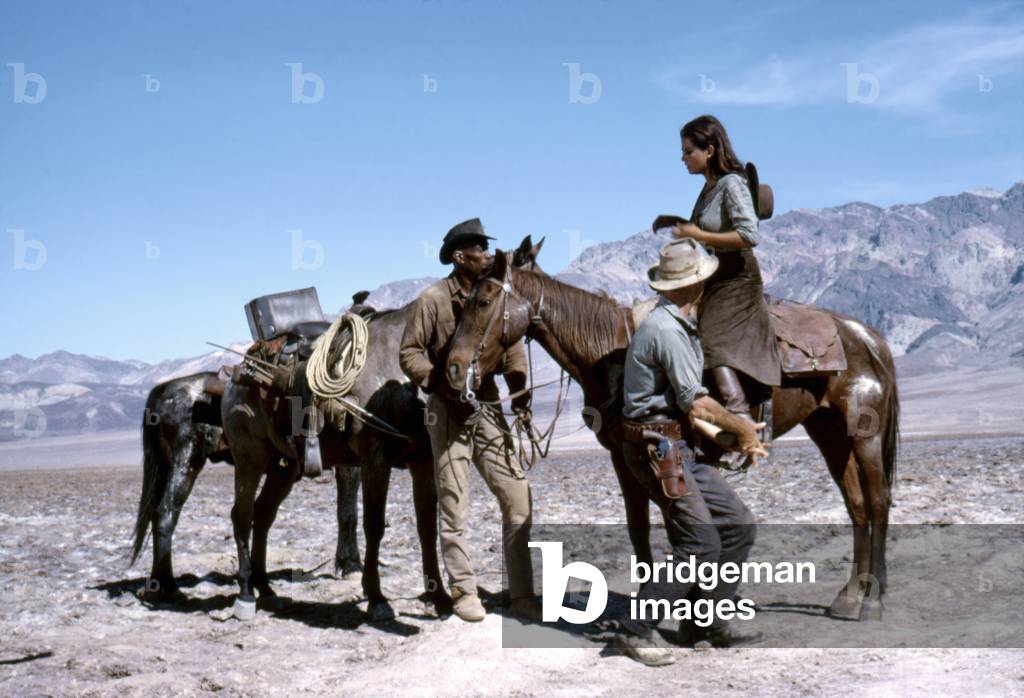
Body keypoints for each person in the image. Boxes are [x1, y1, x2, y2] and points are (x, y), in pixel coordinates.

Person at [613, 238, 768, 667]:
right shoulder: (665, 330)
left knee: (737, 526)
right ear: (694, 285)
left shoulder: (676, 325)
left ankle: (702, 623)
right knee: (699, 543)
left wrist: (725, 438)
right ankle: (634, 629)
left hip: (676, 445)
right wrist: (741, 428)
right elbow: (695, 401)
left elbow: (686, 409)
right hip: (656, 448)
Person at [398, 218, 540, 623]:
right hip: (446, 413)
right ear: (460, 257)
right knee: (453, 503)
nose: (488, 254)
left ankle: (522, 594)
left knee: (516, 494)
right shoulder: (433, 300)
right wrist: (439, 385)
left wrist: (521, 392)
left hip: (489, 406)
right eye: (480, 248)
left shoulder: (496, 293)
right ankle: (463, 590)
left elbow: (510, 347)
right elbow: (408, 353)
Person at [670, 115, 781, 463]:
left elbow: (750, 235)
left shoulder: (732, 183)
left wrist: (699, 236)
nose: (683, 158)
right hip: (713, 278)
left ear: (710, 149)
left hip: (737, 280)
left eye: (689, 151)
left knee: (711, 341)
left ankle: (741, 422)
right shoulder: (707, 188)